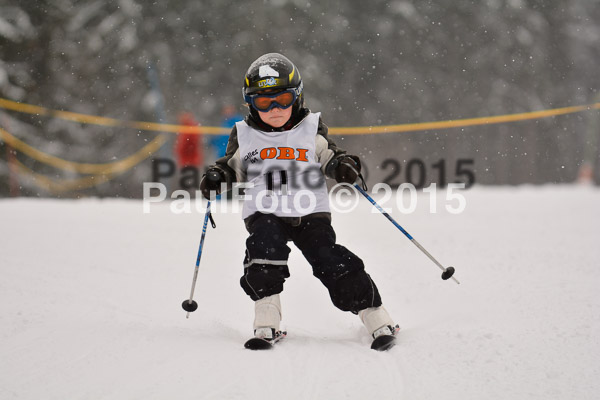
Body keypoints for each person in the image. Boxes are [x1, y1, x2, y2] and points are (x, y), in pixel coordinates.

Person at [200, 53, 398, 350]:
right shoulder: (245, 135)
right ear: (250, 103)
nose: (276, 109)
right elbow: (230, 166)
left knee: (328, 258)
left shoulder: (310, 129)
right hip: (264, 210)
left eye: (283, 99)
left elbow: (331, 155)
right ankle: (266, 320)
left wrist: (344, 165)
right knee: (263, 252)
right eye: (264, 102)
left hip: (309, 211)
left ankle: (375, 316)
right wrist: (217, 176)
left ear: (298, 96)